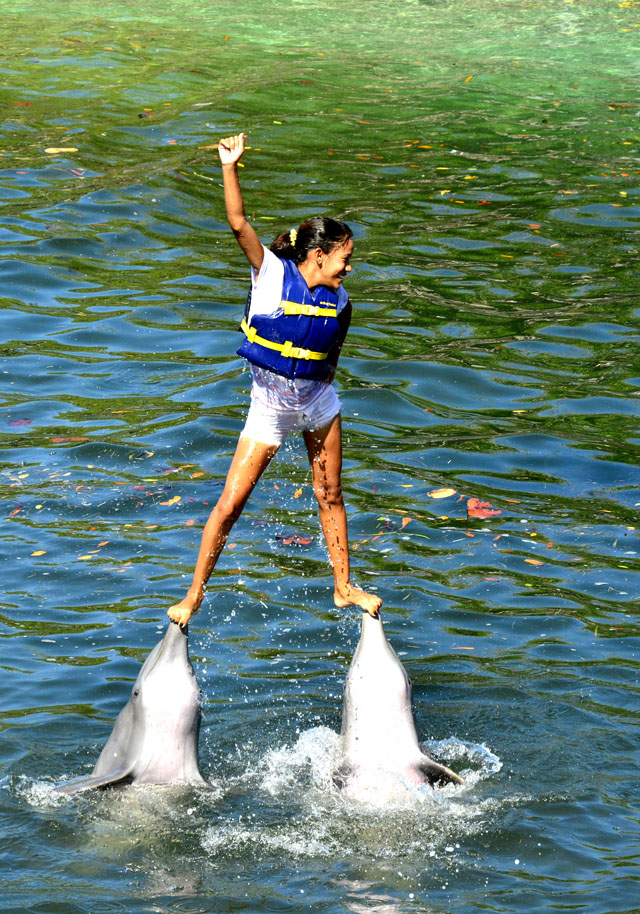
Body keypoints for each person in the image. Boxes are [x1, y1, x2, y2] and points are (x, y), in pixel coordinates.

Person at [168, 132, 382, 627]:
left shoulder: (342, 302)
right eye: (344, 258)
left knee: (330, 493)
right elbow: (238, 222)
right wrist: (230, 167)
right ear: (318, 255)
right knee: (230, 503)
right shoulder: (268, 275)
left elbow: (333, 352)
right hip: (270, 408)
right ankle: (194, 595)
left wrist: (319, 387)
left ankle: (343, 587)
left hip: (319, 402)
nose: (349, 268)